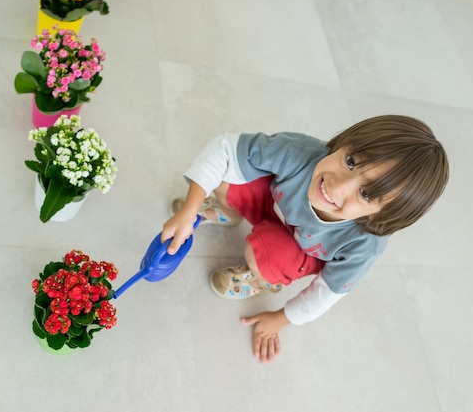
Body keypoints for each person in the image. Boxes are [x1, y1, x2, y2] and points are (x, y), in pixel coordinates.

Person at [160, 115, 449, 364]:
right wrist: (189, 208)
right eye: (350, 161)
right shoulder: (299, 151)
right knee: (226, 176)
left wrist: (281, 319)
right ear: (343, 141)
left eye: (366, 194)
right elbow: (226, 148)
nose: (337, 185)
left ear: (380, 217)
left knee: (263, 253)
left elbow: (326, 292)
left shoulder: (364, 245)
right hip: (274, 204)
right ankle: (227, 211)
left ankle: (262, 278)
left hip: (298, 250)